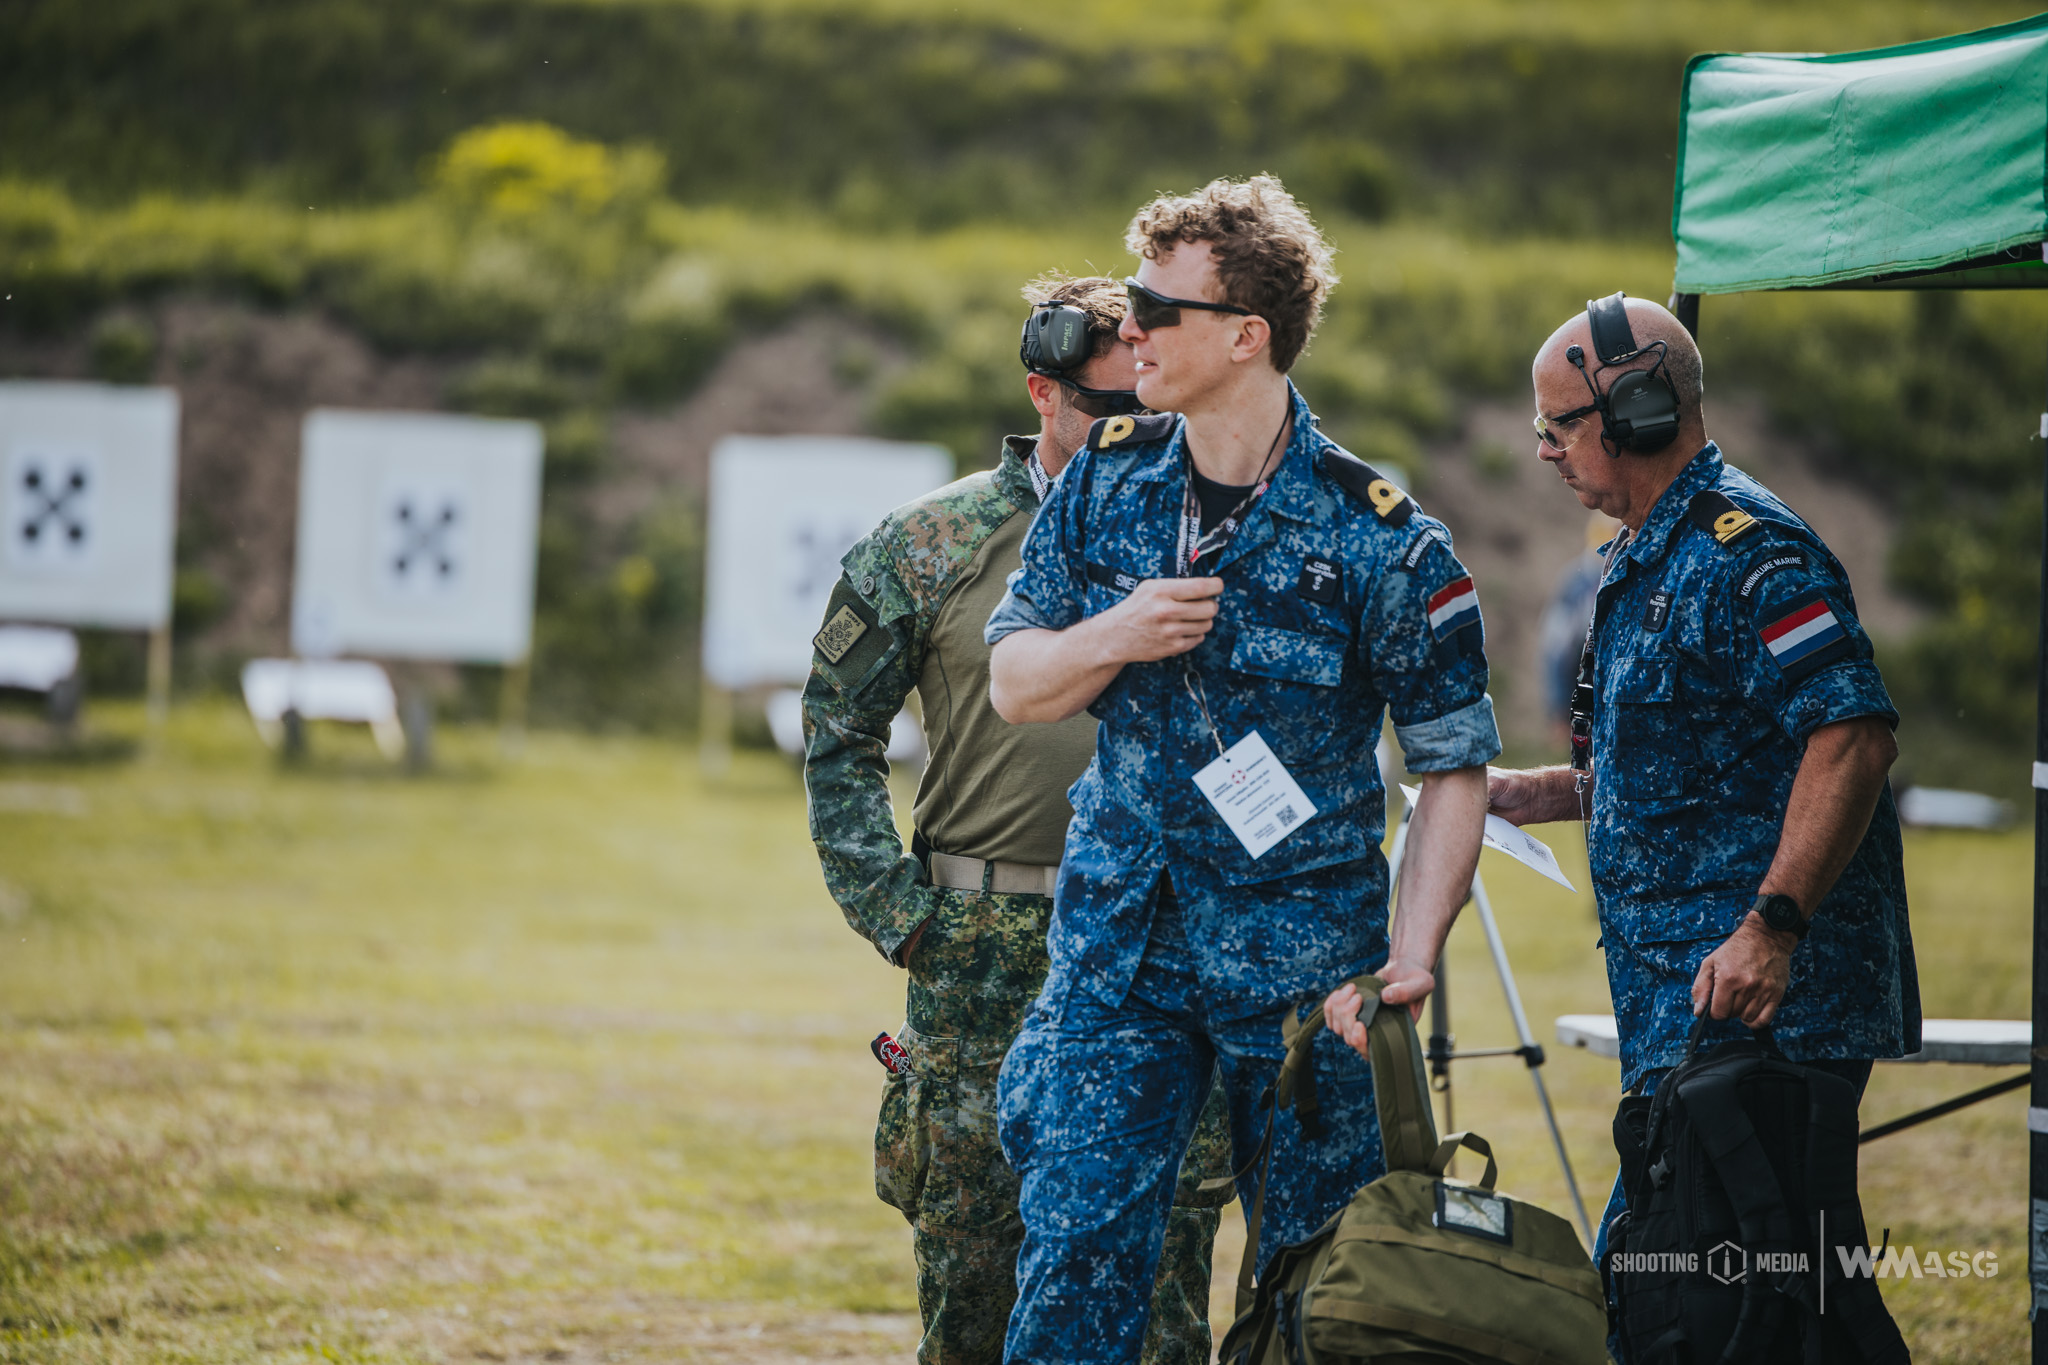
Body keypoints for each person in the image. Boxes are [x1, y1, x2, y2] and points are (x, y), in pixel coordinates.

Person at [984, 177, 1496, 1365]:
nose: (1127, 336)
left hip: (1305, 972)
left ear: (1243, 336)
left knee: (1317, 1280)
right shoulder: (1105, 478)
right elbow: (1016, 683)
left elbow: (1453, 765)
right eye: (1126, 306)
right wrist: (1116, 632)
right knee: (1074, 1256)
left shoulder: (1377, 535)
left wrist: (1411, 957)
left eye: (1155, 312)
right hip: (1120, 949)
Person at [800, 273, 1229, 1365]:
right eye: (1106, 410)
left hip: (1152, 941)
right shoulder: (929, 544)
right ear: (1041, 393)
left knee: (1160, 1290)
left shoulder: (1209, 535)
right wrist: (896, 911)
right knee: (977, 1281)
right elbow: (836, 732)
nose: (1133, 434)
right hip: (981, 946)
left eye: (1151, 407)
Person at [1487, 294, 1919, 1262]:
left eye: (1557, 425)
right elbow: (1680, 764)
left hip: (1768, 1012)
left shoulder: (1750, 553)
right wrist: (1534, 793)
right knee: (1728, 1306)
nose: (1544, 450)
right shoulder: (1650, 552)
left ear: (1635, 412)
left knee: (1688, 1299)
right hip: (1687, 1013)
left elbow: (1848, 738)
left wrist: (1769, 930)